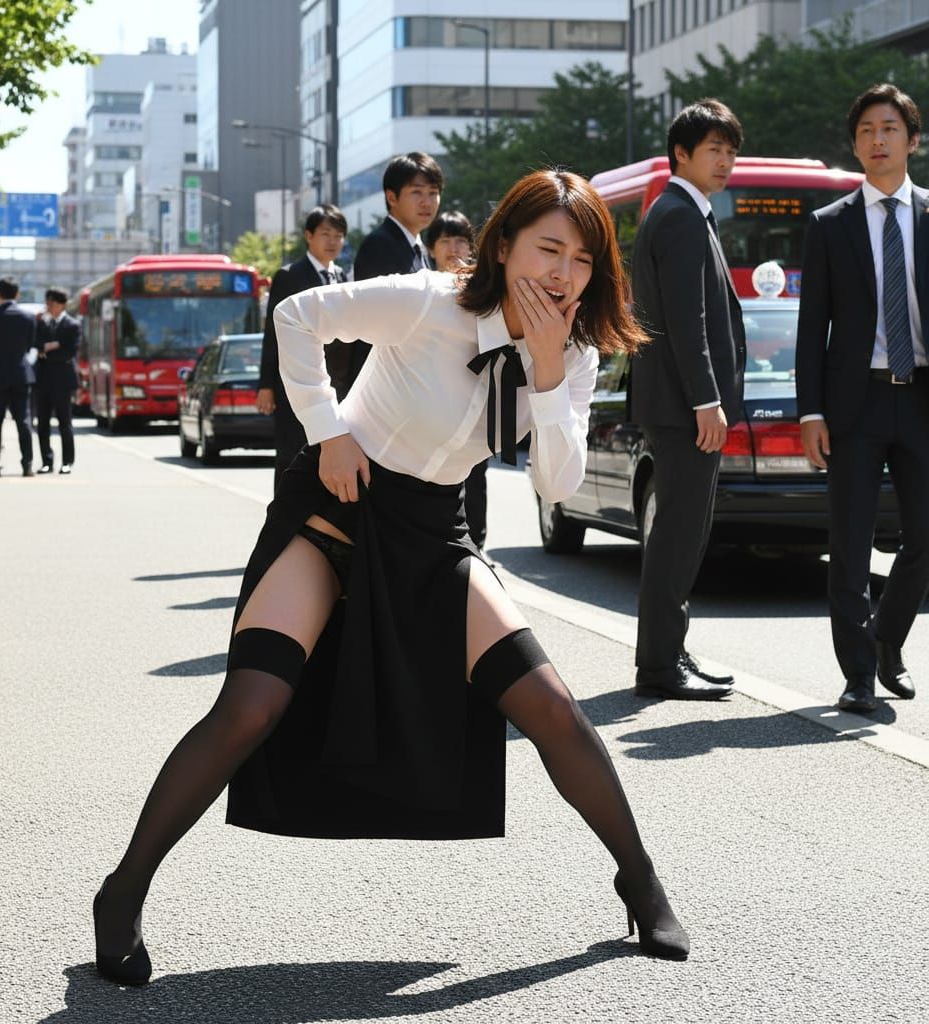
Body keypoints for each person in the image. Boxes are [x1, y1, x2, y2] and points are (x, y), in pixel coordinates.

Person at [92, 169, 691, 989]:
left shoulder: (574, 353)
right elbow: (296, 314)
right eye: (548, 248)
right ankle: (122, 893)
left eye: (583, 260)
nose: (562, 272)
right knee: (251, 704)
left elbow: (556, 485)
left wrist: (548, 372)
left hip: (434, 533)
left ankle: (639, 879)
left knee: (550, 705)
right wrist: (328, 430)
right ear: (505, 244)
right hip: (339, 507)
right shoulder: (430, 301)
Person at [797, 83, 929, 714]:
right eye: (866, 132)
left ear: (912, 139)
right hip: (855, 404)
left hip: (923, 398)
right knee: (849, 544)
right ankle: (856, 676)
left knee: (925, 534)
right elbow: (810, 325)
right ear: (854, 145)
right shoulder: (829, 226)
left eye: (889, 129)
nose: (877, 141)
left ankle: (887, 639)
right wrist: (811, 411)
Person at [629, 99, 746, 701]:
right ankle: (658, 667)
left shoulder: (686, 212)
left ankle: (668, 651)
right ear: (682, 153)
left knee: (683, 533)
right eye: (714, 150)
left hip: (680, 407)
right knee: (678, 535)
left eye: (731, 150)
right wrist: (706, 399)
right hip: (683, 409)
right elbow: (686, 319)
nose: (725, 160)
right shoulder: (678, 215)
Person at [258, 204, 348, 489]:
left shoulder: (345, 277)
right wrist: (266, 385)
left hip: (336, 384)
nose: (333, 241)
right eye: (325, 234)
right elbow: (273, 334)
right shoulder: (289, 275)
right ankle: (283, 526)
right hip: (295, 383)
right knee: (292, 457)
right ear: (309, 236)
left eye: (338, 235)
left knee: (330, 457)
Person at [346, 152, 444, 390]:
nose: (427, 202)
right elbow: (378, 323)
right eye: (417, 192)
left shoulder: (416, 246)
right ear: (392, 197)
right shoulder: (380, 245)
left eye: (433, 193)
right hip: (385, 385)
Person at [427, 210, 490, 551]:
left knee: (475, 475)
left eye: (461, 240)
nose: (453, 248)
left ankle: (475, 545)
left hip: (473, 396)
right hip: (429, 399)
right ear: (431, 248)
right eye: (445, 241)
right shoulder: (418, 287)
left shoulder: (485, 290)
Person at [0, 276, 35, 478]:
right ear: (17, 294)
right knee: (24, 420)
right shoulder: (28, 317)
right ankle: (27, 465)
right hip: (21, 373)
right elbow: (30, 345)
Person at [34, 287, 80, 475]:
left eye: (52, 303)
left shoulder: (72, 325)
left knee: (64, 423)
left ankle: (67, 461)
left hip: (62, 381)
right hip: (43, 379)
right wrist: (53, 346)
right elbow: (36, 346)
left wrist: (50, 350)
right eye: (47, 303)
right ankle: (47, 461)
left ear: (62, 305)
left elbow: (69, 352)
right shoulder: (42, 324)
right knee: (43, 423)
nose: (48, 306)